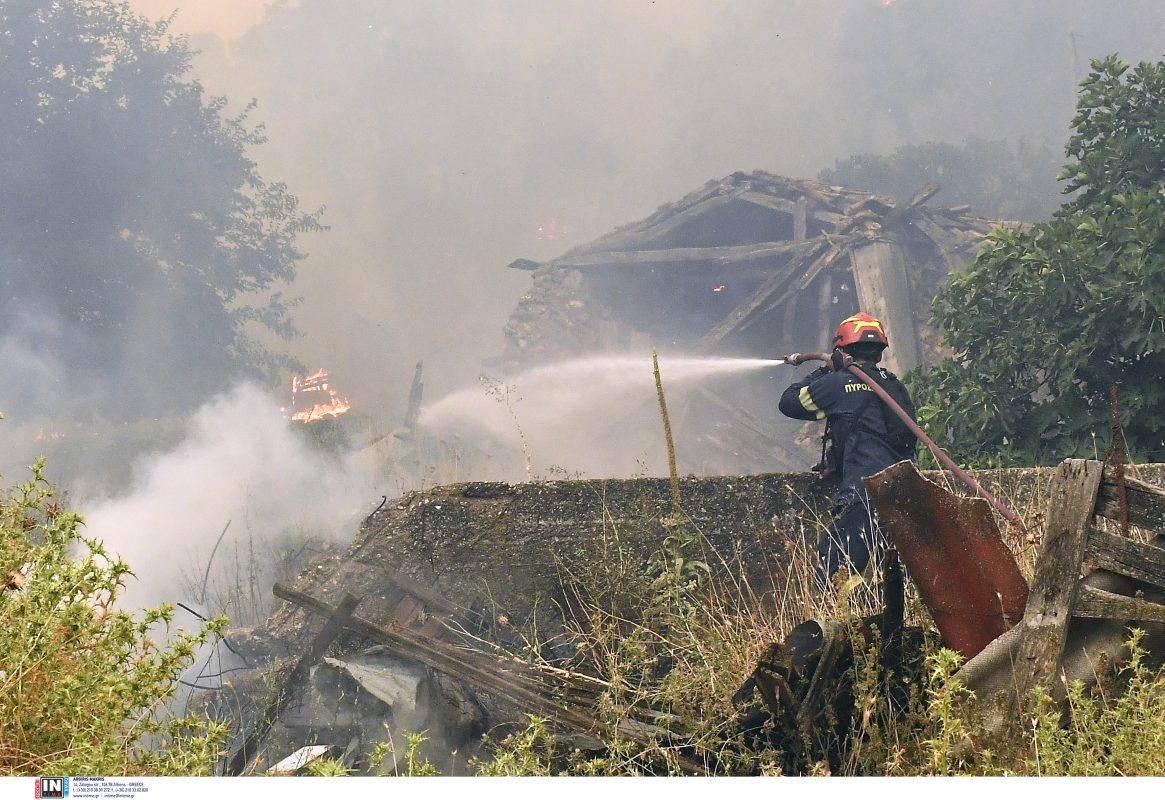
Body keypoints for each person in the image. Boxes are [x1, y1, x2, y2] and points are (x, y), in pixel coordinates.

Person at [778, 312, 918, 582]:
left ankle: (836, 621)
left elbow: (789, 402)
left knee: (833, 567)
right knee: (892, 577)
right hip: (907, 494)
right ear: (878, 352)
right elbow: (870, 435)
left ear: (842, 350)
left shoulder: (839, 384)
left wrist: (824, 370)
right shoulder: (893, 384)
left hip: (866, 494)